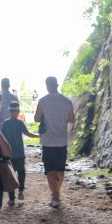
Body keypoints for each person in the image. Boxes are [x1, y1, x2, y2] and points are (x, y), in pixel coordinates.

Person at [34, 76, 74, 208]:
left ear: (47, 85)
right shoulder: (67, 101)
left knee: (50, 170)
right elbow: (71, 120)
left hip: (48, 141)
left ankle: (55, 196)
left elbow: (36, 118)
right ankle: (57, 193)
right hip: (62, 140)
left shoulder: (43, 101)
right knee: (60, 170)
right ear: (57, 85)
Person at [0, 100, 35, 205]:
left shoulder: (12, 123)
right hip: (11, 154)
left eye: (15, 111)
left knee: (17, 174)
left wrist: (38, 135)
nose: (13, 112)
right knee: (15, 174)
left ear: (18, 111)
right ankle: (13, 196)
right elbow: (27, 134)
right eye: (12, 111)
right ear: (9, 111)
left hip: (16, 154)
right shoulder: (7, 123)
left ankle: (17, 193)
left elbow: (27, 133)